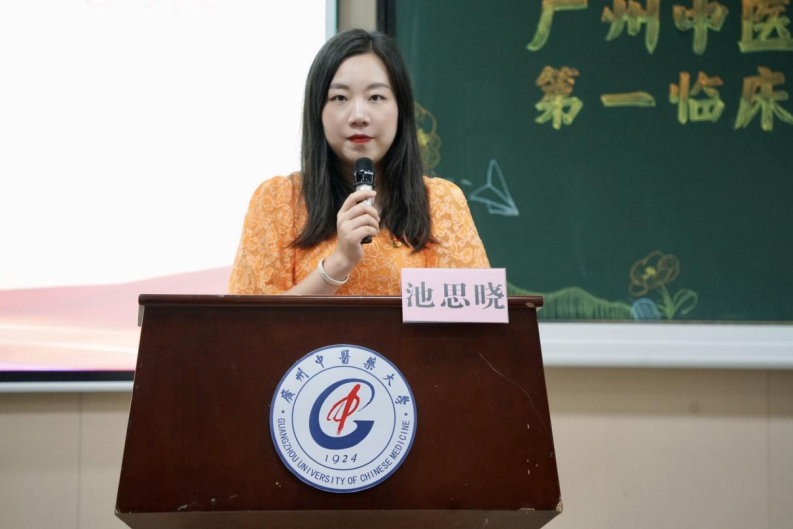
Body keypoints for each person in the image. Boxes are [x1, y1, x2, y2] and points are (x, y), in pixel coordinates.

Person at [229, 29, 489, 296]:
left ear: (400, 110)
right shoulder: (278, 200)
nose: (359, 116)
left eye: (376, 97)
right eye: (340, 98)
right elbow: (249, 320)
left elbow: (475, 313)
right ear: (317, 111)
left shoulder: (441, 202)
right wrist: (339, 263)